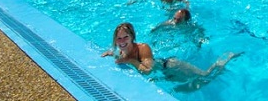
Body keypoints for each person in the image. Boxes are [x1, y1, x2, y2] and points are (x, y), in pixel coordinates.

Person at [102, 22, 243, 82]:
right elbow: (120, 55)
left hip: (171, 66)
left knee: (205, 75)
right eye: (118, 39)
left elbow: (148, 70)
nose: (122, 41)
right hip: (165, 75)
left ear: (132, 37)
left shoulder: (143, 48)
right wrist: (111, 53)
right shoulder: (121, 50)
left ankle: (226, 58)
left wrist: (131, 61)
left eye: (125, 37)